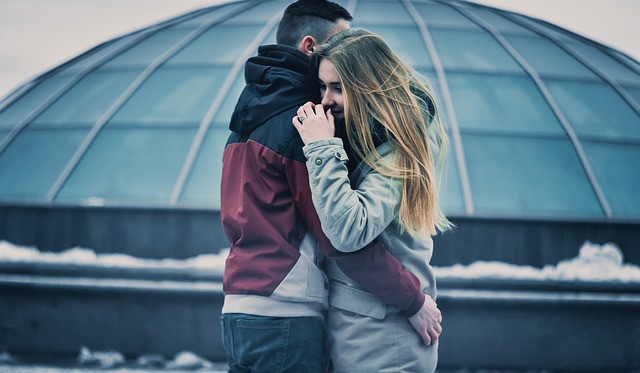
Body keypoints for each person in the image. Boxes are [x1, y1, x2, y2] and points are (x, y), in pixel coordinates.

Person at [220, 1, 442, 371]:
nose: (349, 47)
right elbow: (340, 237)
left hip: (238, 308)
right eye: (342, 39)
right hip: (286, 311)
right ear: (310, 47)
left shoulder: (247, 116)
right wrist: (413, 300)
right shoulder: (304, 126)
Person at [292, 28, 452, 372]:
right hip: (364, 334)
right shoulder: (362, 137)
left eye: (339, 87)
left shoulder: (397, 148)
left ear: (369, 86)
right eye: (322, 86)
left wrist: (320, 148)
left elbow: (350, 230)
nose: (326, 101)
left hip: (385, 343)